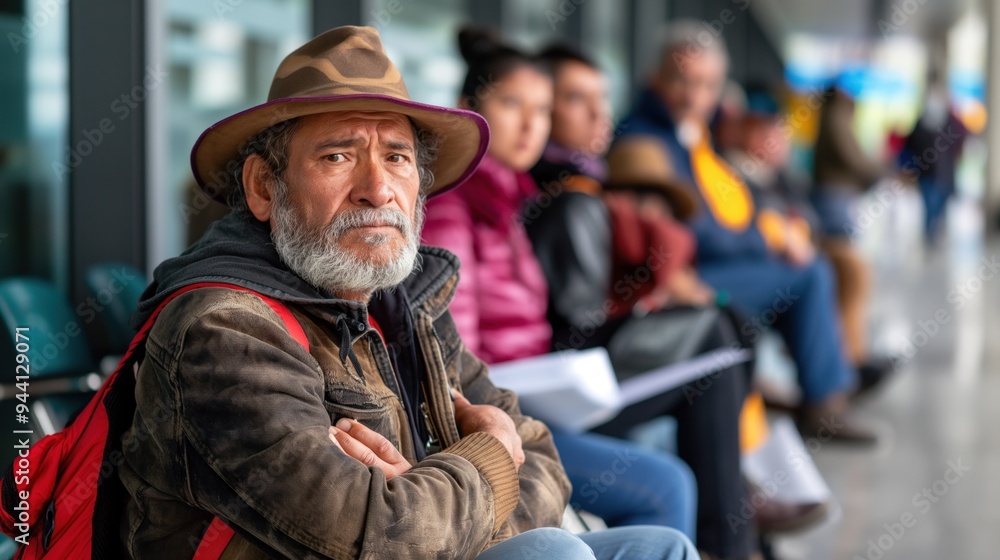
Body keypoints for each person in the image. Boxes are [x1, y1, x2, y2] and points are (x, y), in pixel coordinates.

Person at [119, 25, 697, 560]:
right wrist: (488, 457)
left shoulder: (403, 300)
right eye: (337, 156)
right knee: (553, 553)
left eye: (396, 157)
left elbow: (542, 458)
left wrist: (432, 501)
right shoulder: (224, 328)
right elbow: (378, 533)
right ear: (264, 187)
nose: (377, 189)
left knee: (658, 546)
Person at [422, 29, 756, 559]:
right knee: (665, 483)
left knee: (715, 342)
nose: (532, 124)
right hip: (501, 410)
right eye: (512, 105)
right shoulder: (455, 207)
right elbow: (445, 350)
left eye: (542, 108)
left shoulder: (511, 202)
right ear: (468, 110)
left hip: (535, 396)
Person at [527, 44, 828, 551]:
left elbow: (732, 220)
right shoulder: (573, 200)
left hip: (548, 373)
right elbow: (576, 327)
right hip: (542, 385)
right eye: (577, 100)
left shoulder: (594, 184)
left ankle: (738, 505)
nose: (602, 115)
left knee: (723, 324)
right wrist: (657, 295)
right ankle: (736, 517)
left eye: (601, 99)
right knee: (716, 333)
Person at [615, 20, 876, 443]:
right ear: (655, 79)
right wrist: (765, 239)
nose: (694, 96)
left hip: (717, 264)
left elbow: (739, 207)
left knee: (822, 265)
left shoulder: (694, 136)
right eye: (682, 81)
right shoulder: (646, 144)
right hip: (688, 279)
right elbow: (693, 232)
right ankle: (825, 400)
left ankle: (834, 379)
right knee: (811, 275)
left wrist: (775, 230)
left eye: (707, 84)